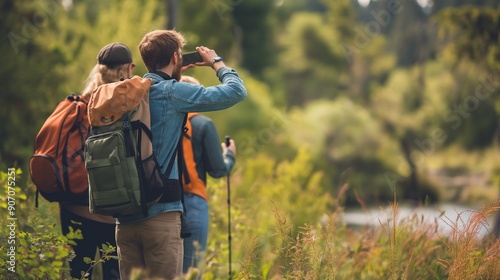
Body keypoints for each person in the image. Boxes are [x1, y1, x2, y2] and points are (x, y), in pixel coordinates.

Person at [115, 29, 247, 280]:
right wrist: (217, 63)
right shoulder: (173, 93)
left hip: (124, 220)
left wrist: (172, 72)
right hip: (161, 216)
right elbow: (236, 91)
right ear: (176, 57)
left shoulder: (128, 92)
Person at [59, 42, 135, 279]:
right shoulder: (128, 109)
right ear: (129, 69)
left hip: (73, 207)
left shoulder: (78, 105)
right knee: (114, 273)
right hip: (112, 214)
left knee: (79, 272)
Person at [179, 75, 237, 276]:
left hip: (161, 204)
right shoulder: (203, 124)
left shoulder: (160, 119)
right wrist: (229, 154)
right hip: (193, 201)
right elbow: (218, 170)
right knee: (192, 271)